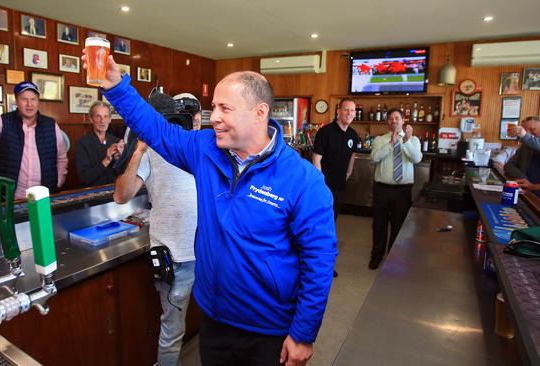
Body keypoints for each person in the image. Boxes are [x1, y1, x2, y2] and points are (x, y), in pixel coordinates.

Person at [91, 53, 337, 366]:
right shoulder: (206, 148)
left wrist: (303, 334)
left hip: (268, 329)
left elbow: (320, 262)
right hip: (214, 318)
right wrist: (116, 87)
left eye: (225, 108)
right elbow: (157, 130)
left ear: (259, 113)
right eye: (213, 107)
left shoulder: (304, 180)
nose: (214, 117)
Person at [113, 92, 198, 366]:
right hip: (173, 257)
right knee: (173, 332)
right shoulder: (151, 150)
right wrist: (138, 149)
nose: (187, 121)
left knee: (219, 322)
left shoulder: (206, 148)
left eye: (193, 115)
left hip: (208, 252)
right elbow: (121, 196)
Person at [0, 81, 68, 200]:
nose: (29, 104)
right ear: (16, 101)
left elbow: (61, 157)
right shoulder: (5, 121)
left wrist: (58, 181)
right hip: (13, 197)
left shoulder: (51, 124)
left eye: (33, 99)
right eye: (24, 99)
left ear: (38, 101)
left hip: (44, 195)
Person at [311, 98, 359, 278]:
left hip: (340, 187)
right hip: (324, 188)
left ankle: (325, 263)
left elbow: (352, 156)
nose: (349, 113)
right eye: (346, 110)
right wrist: (320, 185)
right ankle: (316, 265)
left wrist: (348, 173)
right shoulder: (326, 132)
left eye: (353, 111)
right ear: (339, 111)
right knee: (320, 227)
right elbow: (316, 159)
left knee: (331, 226)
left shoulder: (353, 134)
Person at [369, 108, 422, 270]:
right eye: (391, 118)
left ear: (403, 120)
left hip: (402, 191)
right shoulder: (380, 139)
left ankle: (394, 258)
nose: (394, 121)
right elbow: (373, 158)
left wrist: (405, 141)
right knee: (379, 225)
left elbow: (417, 159)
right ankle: (376, 256)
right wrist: (391, 143)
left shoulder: (413, 140)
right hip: (382, 189)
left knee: (399, 226)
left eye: (397, 118)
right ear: (388, 122)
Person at [74, 101, 124, 187]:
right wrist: (106, 160)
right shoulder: (82, 144)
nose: (102, 121)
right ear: (91, 119)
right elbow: (84, 178)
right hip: (93, 194)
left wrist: (120, 159)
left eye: (106, 116)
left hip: (115, 192)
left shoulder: (117, 142)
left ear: (110, 119)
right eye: (98, 116)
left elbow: (124, 174)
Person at [505, 116, 540, 196]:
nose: (528, 133)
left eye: (532, 129)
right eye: (525, 131)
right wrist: (523, 178)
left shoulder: (528, 140)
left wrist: (533, 186)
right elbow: (508, 166)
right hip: (527, 194)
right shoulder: (526, 147)